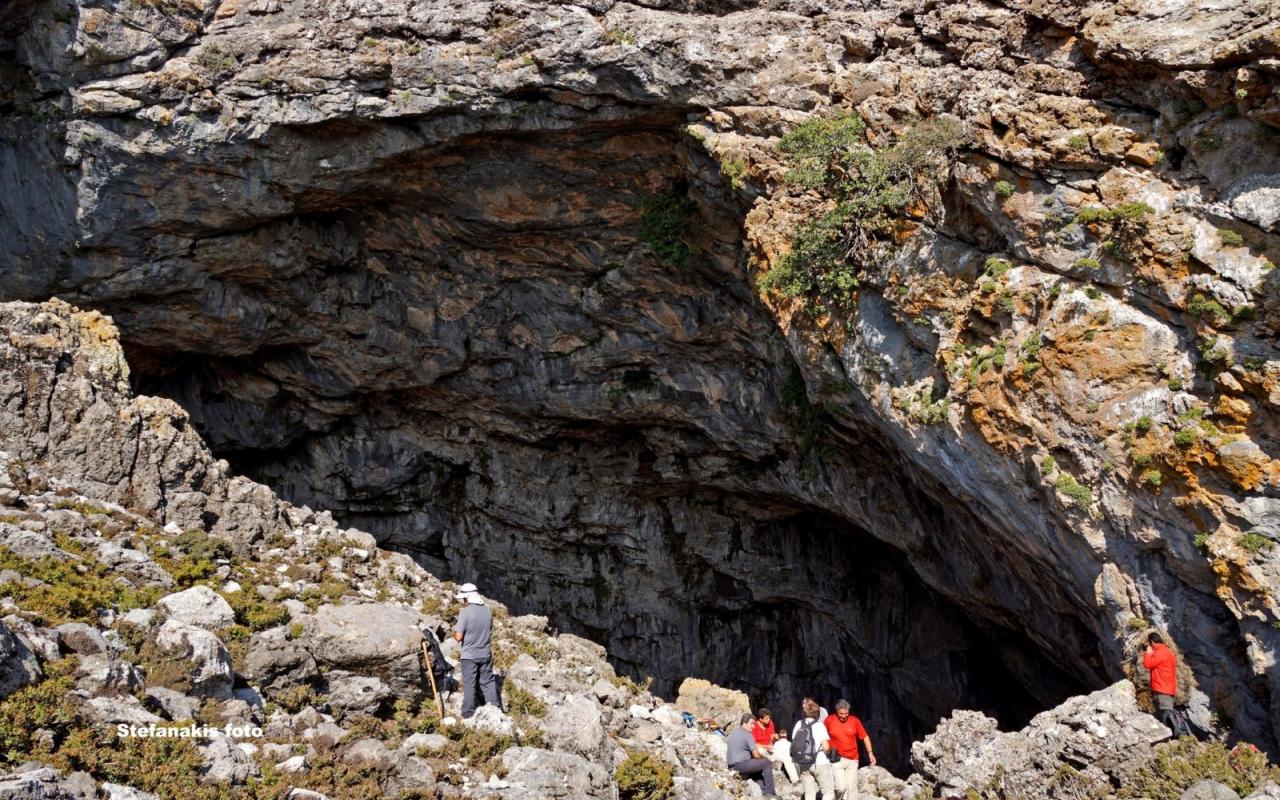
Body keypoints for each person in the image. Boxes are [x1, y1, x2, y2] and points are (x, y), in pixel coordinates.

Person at [453, 584, 501, 718]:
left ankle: (468, 713)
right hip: (485, 653)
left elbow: (458, 637)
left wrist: (455, 630)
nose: (463, 601)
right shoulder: (487, 611)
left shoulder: (465, 612)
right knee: (488, 682)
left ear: (467, 598)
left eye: (463, 599)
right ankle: (495, 711)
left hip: (469, 656)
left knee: (470, 684)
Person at [825, 699, 877, 799]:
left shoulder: (855, 721)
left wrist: (870, 753)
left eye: (846, 713)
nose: (844, 716)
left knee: (852, 788)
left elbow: (865, 737)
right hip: (836, 759)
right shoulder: (829, 720)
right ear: (837, 711)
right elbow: (821, 734)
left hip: (853, 759)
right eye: (841, 713)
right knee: (841, 788)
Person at [1142, 633, 1192, 737]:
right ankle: (1177, 734)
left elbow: (1148, 664)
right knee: (1168, 710)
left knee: (1166, 712)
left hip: (1163, 687)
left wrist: (1148, 653)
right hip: (1167, 687)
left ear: (1152, 642)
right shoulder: (1167, 651)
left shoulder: (1160, 653)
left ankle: (1175, 735)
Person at [726, 712, 778, 797]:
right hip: (740, 764)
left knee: (757, 771)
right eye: (751, 724)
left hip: (731, 766)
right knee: (766, 763)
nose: (753, 726)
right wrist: (763, 758)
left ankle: (763, 790)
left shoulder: (734, 732)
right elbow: (756, 754)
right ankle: (770, 793)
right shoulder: (747, 734)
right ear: (744, 723)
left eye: (754, 724)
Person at [792, 698, 835, 800]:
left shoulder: (799, 724)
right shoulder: (819, 725)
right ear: (817, 714)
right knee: (828, 792)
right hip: (819, 762)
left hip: (803, 763)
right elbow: (826, 747)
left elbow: (794, 742)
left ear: (805, 713)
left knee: (809, 793)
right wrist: (829, 753)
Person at [752, 707, 797, 782]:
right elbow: (752, 743)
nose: (768, 720)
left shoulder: (770, 724)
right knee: (760, 750)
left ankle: (795, 780)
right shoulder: (755, 727)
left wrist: (774, 737)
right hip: (761, 748)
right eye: (766, 719)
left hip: (770, 748)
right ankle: (773, 762)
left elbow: (771, 738)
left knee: (786, 756)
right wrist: (765, 746)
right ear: (760, 719)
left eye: (769, 718)